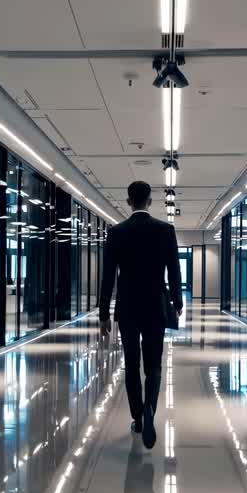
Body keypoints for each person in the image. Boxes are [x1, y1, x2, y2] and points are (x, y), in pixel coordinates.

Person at [99, 180, 183, 449]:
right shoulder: (165, 230)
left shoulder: (117, 233)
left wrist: (103, 314)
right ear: (149, 201)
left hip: (127, 307)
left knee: (132, 362)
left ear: (128, 202)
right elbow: (174, 270)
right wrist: (177, 301)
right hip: (155, 306)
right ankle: (150, 410)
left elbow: (108, 277)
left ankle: (137, 416)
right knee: (154, 363)